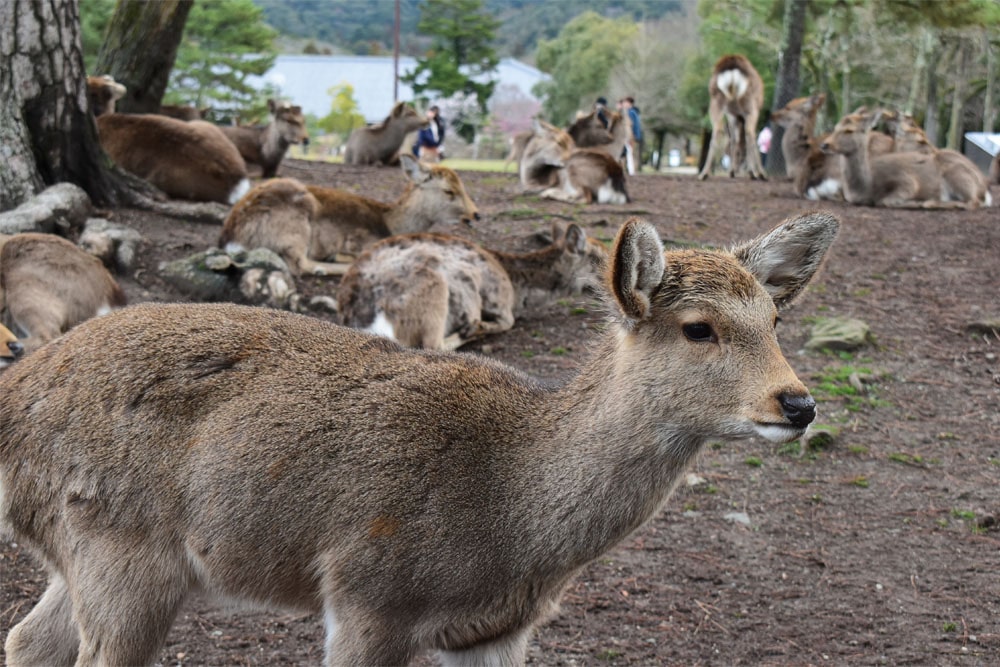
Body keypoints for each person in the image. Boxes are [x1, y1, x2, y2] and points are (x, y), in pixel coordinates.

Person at [622, 97, 643, 174]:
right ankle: (631, 171)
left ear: (629, 103)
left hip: (631, 136)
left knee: (630, 153)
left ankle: (632, 171)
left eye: (625, 102)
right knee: (630, 153)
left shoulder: (631, 113)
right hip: (633, 135)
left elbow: (634, 125)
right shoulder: (634, 112)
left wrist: (633, 135)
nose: (624, 104)